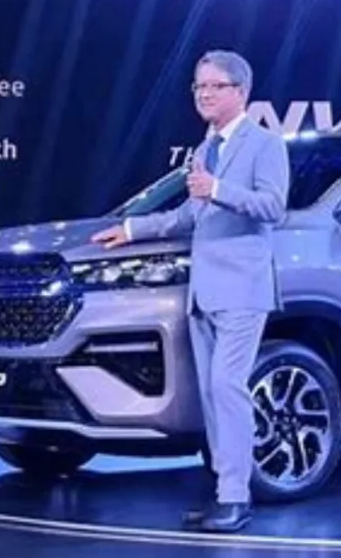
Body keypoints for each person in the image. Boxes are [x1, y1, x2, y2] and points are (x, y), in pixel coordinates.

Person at [90, 50, 290, 533]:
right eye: (198, 86)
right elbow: (188, 216)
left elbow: (274, 207)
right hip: (203, 293)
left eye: (214, 86)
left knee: (227, 387)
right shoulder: (204, 150)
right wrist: (132, 230)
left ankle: (237, 496)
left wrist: (218, 188)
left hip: (242, 289)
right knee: (211, 395)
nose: (203, 94)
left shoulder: (265, 144)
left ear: (240, 92)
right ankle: (225, 492)